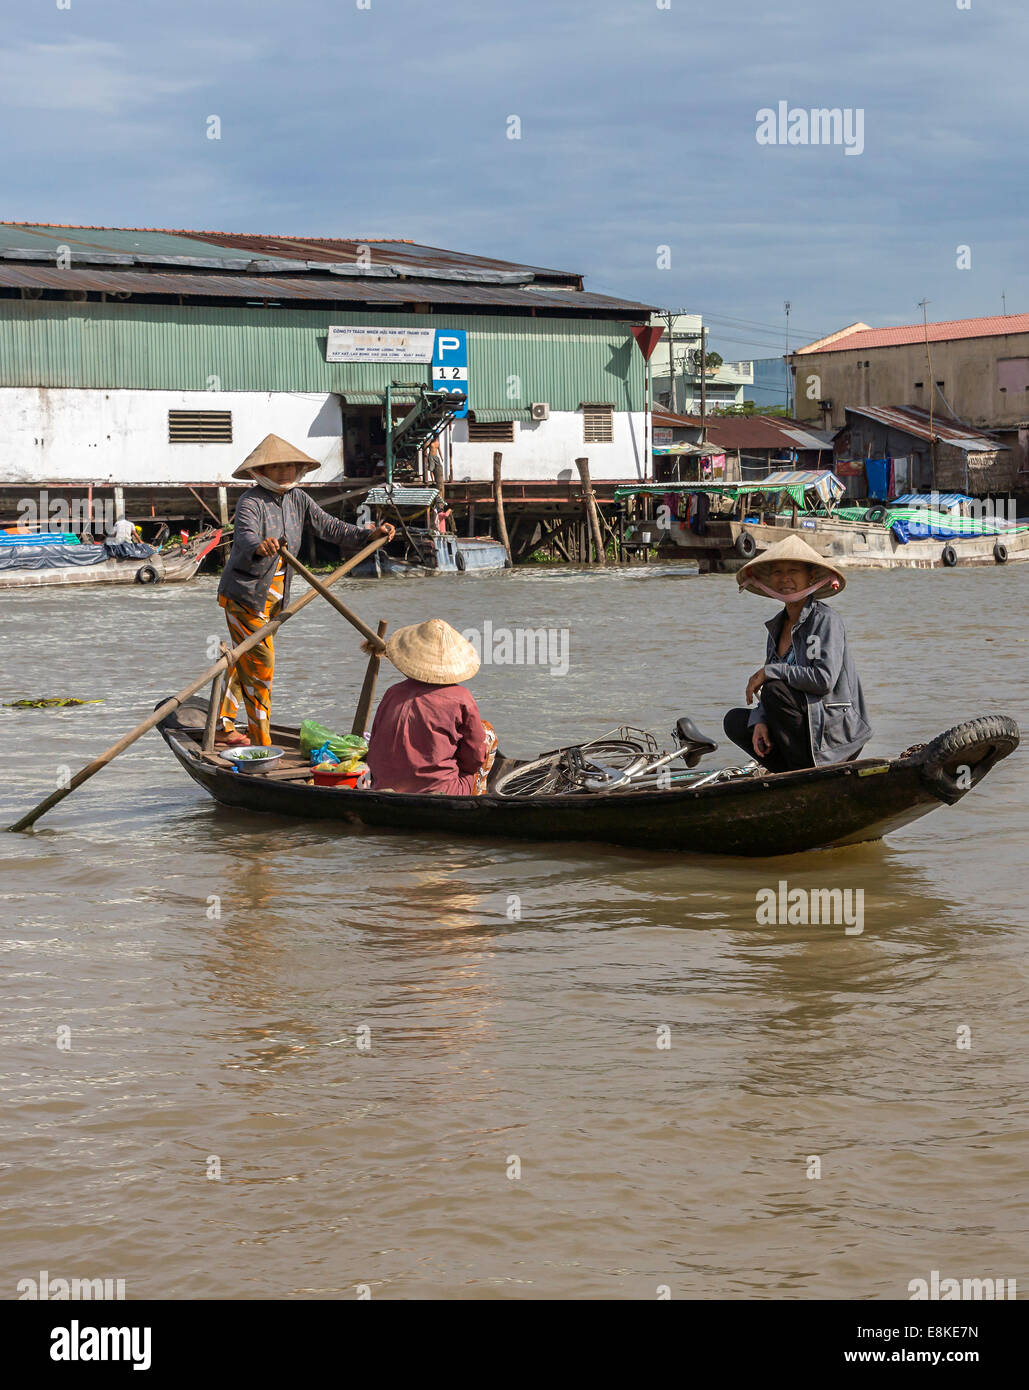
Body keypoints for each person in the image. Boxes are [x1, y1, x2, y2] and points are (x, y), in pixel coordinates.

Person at [217, 434, 394, 747]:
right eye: (278, 466)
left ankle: (223, 722)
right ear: (262, 470)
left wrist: (369, 535)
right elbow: (244, 536)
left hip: (274, 600)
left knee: (246, 658)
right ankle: (260, 742)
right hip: (245, 596)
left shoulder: (298, 499)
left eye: (290, 466)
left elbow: (329, 527)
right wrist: (261, 547)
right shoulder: (251, 501)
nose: (286, 471)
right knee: (262, 665)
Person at [722, 535, 871, 773]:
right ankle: (791, 773)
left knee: (774, 690)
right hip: (803, 727)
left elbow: (823, 680)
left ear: (810, 577)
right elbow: (776, 686)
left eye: (793, 571)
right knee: (735, 721)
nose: (785, 579)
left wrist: (770, 671)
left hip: (832, 734)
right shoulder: (777, 627)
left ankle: (803, 773)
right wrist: (760, 719)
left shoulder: (824, 620)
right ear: (769, 580)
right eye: (778, 572)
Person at [365, 619, 497, 795]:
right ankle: (479, 796)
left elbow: (375, 747)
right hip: (442, 790)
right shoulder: (461, 698)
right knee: (487, 734)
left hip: (384, 786)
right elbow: (474, 760)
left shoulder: (392, 692)